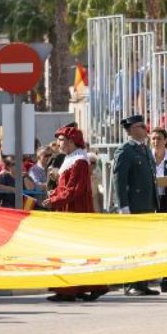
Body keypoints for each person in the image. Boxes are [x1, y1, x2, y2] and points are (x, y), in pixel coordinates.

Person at [43, 124, 109, 302]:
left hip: (74, 210)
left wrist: (55, 199)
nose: (59, 143)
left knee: (71, 250)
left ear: (72, 142)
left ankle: (70, 289)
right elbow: (67, 187)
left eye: (62, 139)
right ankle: (81, 287)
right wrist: (55, 194)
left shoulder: (79, 161)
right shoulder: (73, 159)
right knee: (77, 251)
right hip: (70, 208)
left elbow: (74, 190)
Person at [113, 114, 160, 296]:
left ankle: (142, 282)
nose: (145, 129)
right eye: (141, 126)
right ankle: (131, 283)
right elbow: (119, 180)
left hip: (147, 204)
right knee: (134, 246)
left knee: (145, 246)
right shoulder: (125, 150)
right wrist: (123, 206)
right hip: (133, 205)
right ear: (132, 130)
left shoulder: (145, 150)